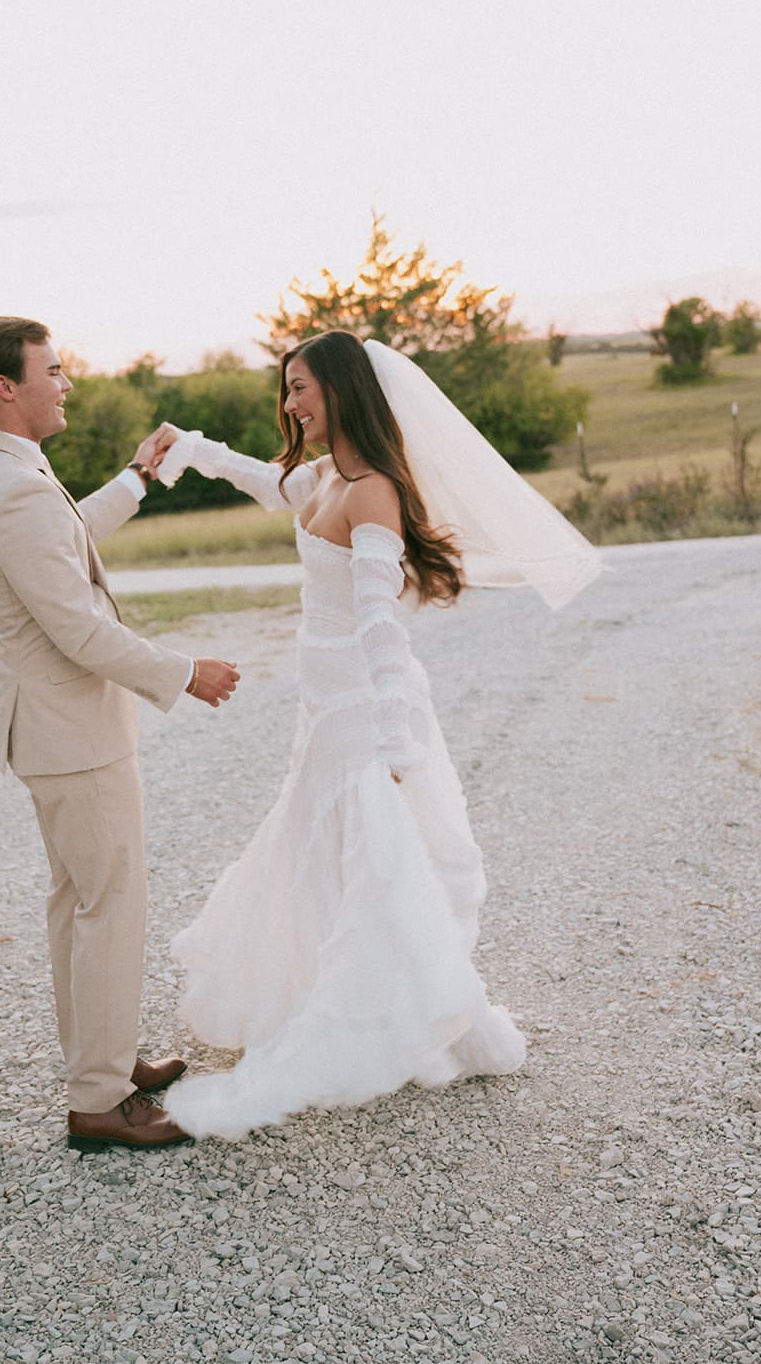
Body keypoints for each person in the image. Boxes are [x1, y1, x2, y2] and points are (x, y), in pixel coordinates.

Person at [153, 330, 602, 1141]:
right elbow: (264, 483)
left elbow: (379, 624)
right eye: (286, 390)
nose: (290, 404)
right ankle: (368, 999)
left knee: (382, 865)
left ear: (343, 390)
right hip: (319, 705)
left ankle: (405, 1014)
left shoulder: (372, 493)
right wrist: (191, 446)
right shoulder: (321, 476)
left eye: (301, 389)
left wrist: (396, 737)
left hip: (365, 708)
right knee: (322, 853)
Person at [0, 316, 240, 1152]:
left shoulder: (2, 470)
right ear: (7, 385)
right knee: (109, 905)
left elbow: (65, 542)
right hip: (69, 729)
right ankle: (100, 1102)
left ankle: (103, 1063)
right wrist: (183, 671)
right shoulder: (14, 486)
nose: (66, 381)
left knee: (81, 902)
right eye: (55, 368)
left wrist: (138, 477)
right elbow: (78, 628)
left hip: (50, 726)